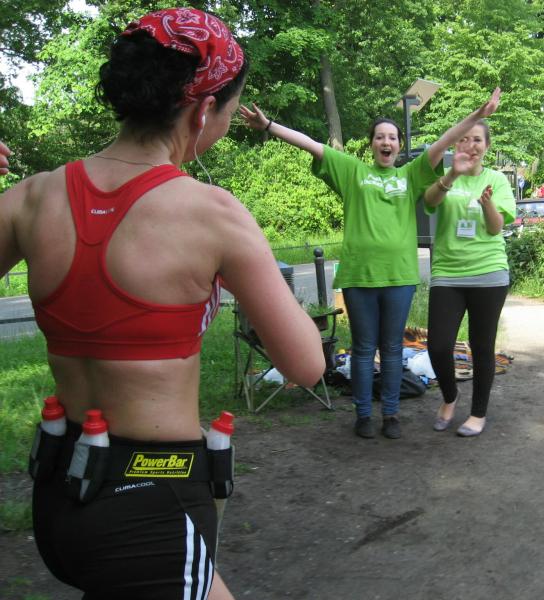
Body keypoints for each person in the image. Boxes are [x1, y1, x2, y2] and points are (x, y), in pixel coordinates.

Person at [0, 8, 325, 599]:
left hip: (58, 488)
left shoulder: (30, 198)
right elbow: (305, 366)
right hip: (152, 500)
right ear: (203, 109)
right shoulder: (212, 213)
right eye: (227, 112)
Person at [239, 88, 501, 440]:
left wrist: (478, 115)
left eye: (392, 137)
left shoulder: (411, 175)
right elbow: (311, 145)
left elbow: (445, 140)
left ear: (400, 145)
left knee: (392, 349)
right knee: (363, 350)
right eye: (380, 137)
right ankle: (363, 414)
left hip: (399, 278)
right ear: (372, 144)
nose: (386, 142)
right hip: (359, 276)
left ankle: (390, 415)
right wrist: (269, 125)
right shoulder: (353, 171)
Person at [422, 119, 514, 436]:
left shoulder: (496, 180)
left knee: (482, 346)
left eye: (477, 140)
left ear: (486, 146)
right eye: (464, 139)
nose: (470, 145)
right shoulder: (447, 175)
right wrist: (452, 174)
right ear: (455, 144)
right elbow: (429, 202)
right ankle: (450, 397)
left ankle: (477, 414)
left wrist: (487, 204)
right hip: (447, 272)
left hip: (489, 272)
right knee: (438, 346)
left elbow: (495, 227)